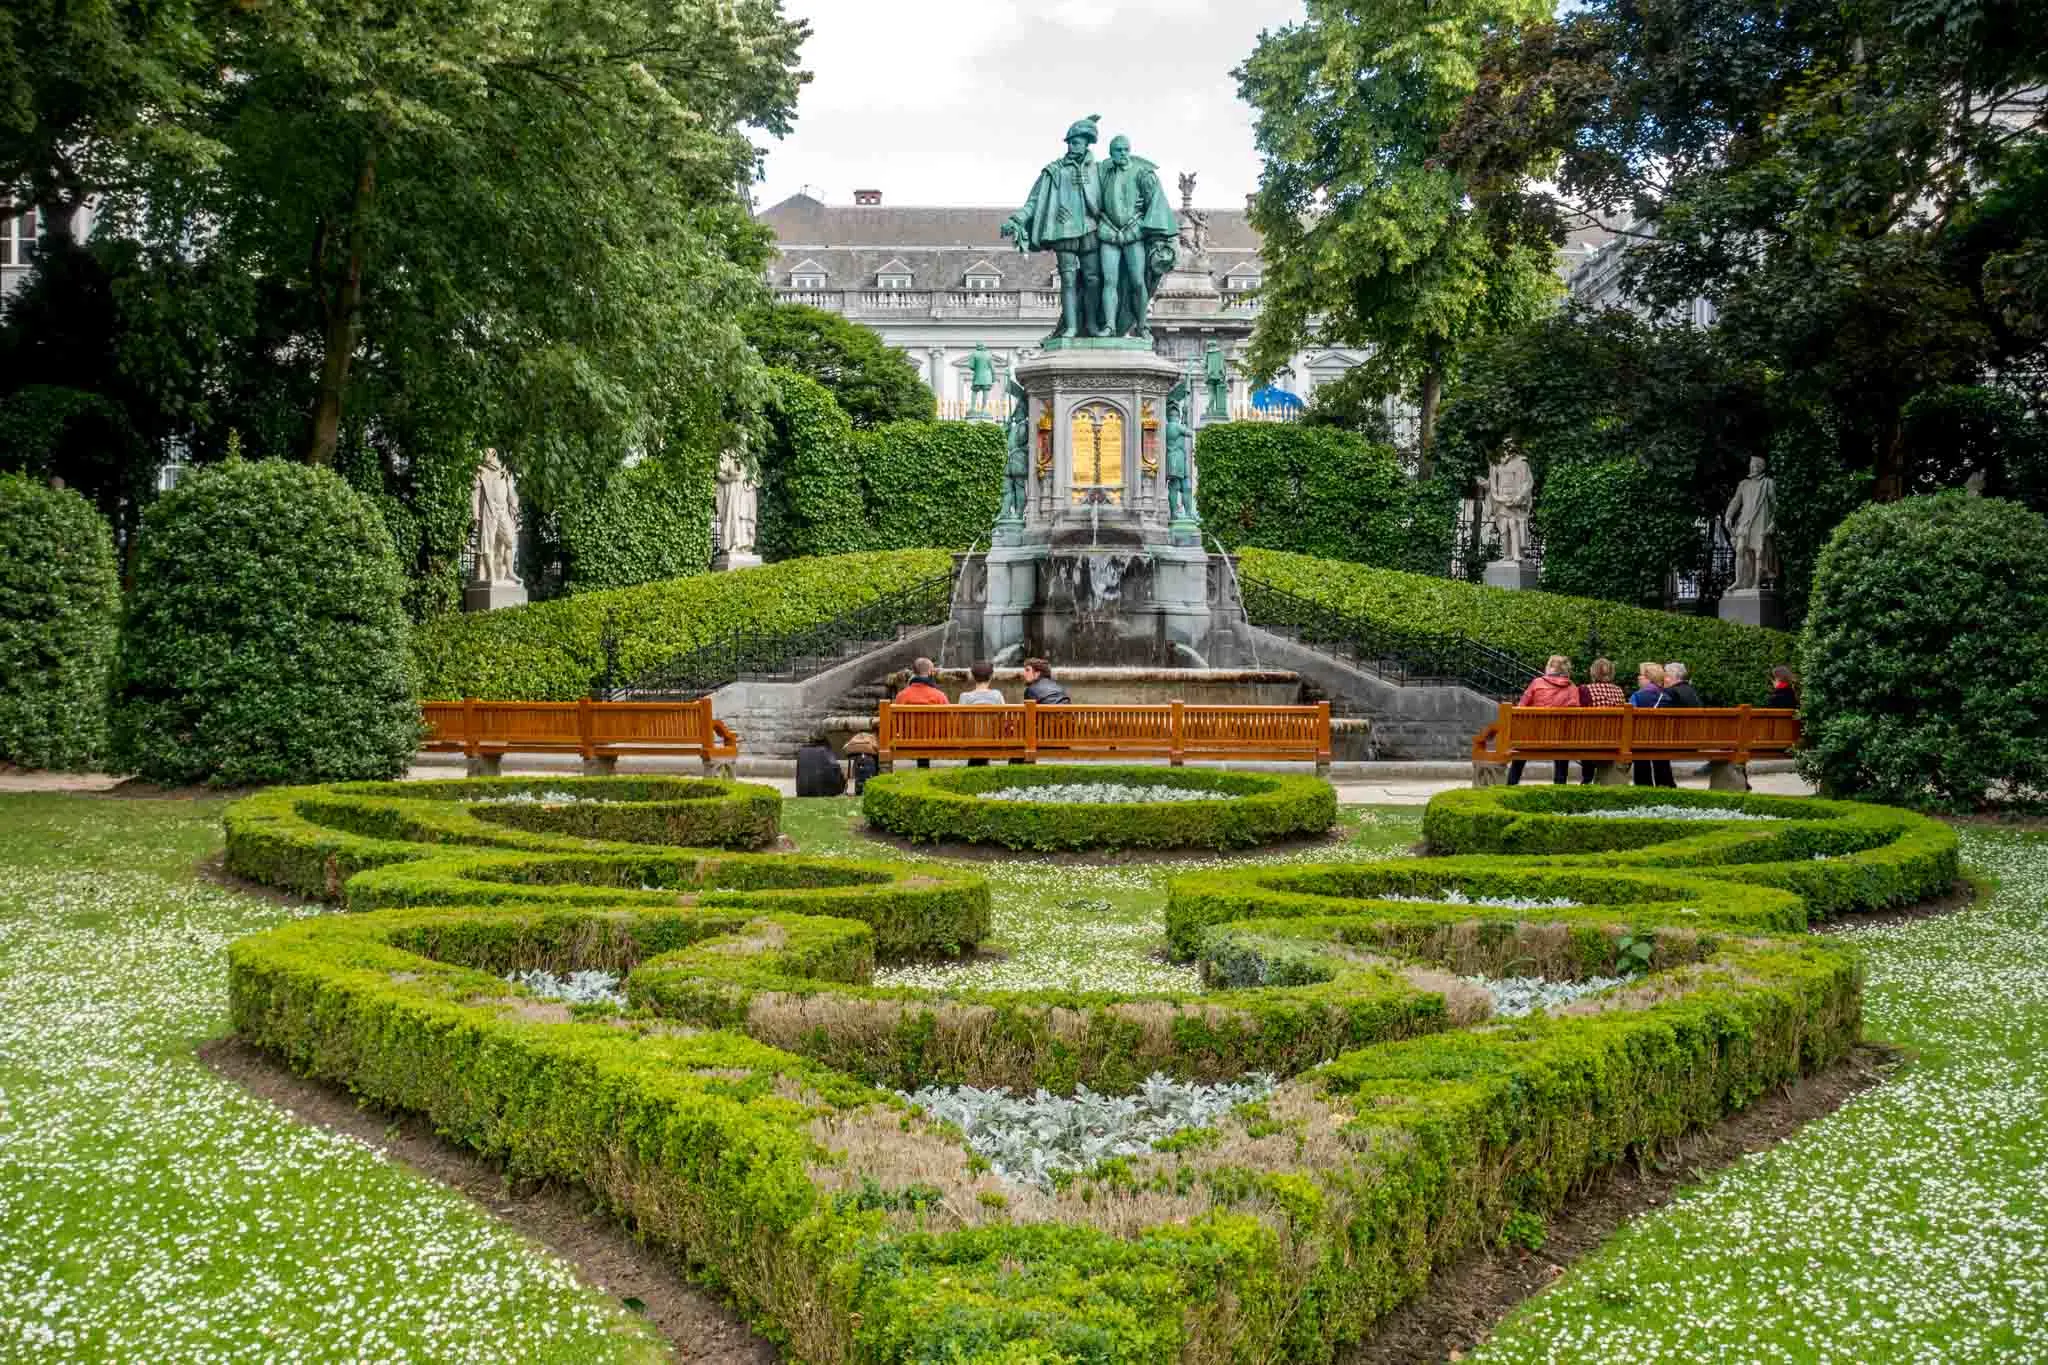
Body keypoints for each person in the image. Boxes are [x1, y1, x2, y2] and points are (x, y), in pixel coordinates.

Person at [1508, 655, 1578, 786]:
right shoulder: (1572, 688)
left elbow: (1520, 707)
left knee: (1521, 747)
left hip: (1534, 737)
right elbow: (1575, 715)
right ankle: (1560, 785)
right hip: (1560, 739)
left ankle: (1511, 783)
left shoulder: (1537, 683)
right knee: (1563, 747)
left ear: (1550, 667)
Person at [1577, 658, 1629, 784]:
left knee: (1586, 734)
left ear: (1593, 673)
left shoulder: (1585, 690)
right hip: (1616, 738)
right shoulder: (1619, 691)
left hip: (1593, 739)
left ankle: (1587, 779)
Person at [893, 657, 948, 767]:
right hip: (934, 740)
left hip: (908, 740)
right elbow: (948, 722)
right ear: (930, 672)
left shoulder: (901, 696)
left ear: (914, 672)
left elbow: (896, 723)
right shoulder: (939, 696)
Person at [1629, 662, 1677, 788]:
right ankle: (1665, 785)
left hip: (1640, 741)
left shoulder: (1637, 696)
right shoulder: (1668, 697)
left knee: (1639, 746)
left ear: (1648, 679)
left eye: (1641, 676)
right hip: (1663, 741)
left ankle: (1643, 785)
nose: (1638, 678)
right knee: (1659, 750)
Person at [957, 660, 1006, 767]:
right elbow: (1004, 717)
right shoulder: (997, 695)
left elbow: (959, 721)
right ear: (991, 676)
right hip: (993, 740)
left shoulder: (964, 697)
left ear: (973, 677)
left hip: (970, 741)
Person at [795, 733, 845, 798]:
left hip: (802, 792)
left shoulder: (801, 751)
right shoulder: (825, 751)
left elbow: (798, 774)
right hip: (820, 791)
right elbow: (836, 769)